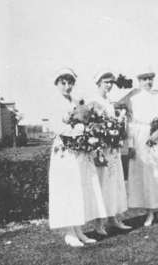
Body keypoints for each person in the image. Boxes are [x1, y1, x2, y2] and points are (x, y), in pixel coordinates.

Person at [48, 68, 106, 247]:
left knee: (79, 188)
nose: (67, 86)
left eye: (70, 82)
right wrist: (78, 130)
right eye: (63, 83)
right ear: (57, 84)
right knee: (67, 188)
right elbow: (56, 127)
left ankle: (78, 229)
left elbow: (85, 119)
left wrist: (86, 130)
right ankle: (69, 232)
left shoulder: (76, 101)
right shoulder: (54, 102)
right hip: (64, 150)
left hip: (78, 150)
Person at [124, 68, 158, 226]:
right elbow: (130, 124)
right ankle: (150, 213)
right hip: (141, 137)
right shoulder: (134, 99)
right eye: (144, 79)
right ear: (139, 80)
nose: (148, 82)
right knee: (147, 174)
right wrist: (131, 145)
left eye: (150, 78)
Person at [91, 72, 132, 235]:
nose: (109, 85)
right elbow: (93, 125)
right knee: (102, 184)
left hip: (113, 147)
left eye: (110, 83)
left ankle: (114, 218)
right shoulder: (93, 101)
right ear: (99, 82)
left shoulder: (108, 101)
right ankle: (99, 222)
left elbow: (112, 123)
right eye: (106, 82)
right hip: (101, 148)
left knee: (114, 183)